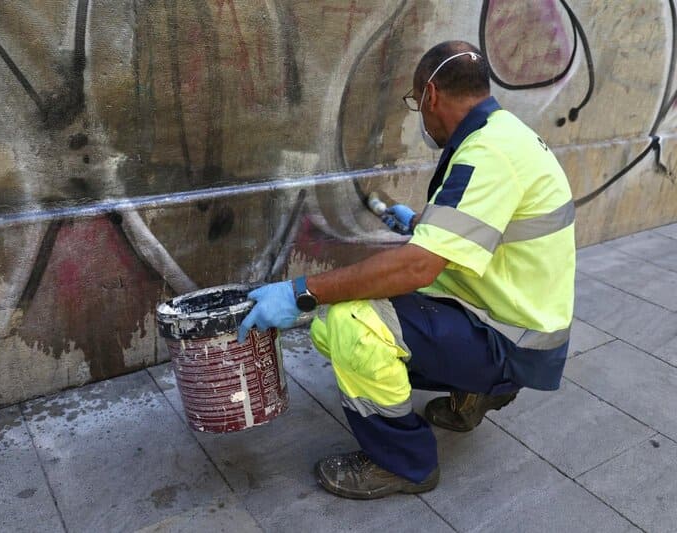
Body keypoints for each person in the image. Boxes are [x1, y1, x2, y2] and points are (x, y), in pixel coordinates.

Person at [237, 40, 575, 499]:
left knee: (348, 323)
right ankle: (474, 391)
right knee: (332, 327)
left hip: (511, 340)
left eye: (416, 102)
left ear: (431, 95)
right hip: (514, 320)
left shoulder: (487, 154)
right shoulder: (503, 134)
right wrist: (419, 223)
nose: (420, 114)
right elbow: (482, 230)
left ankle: (404, 464)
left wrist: (300, 290)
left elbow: (417, 266)